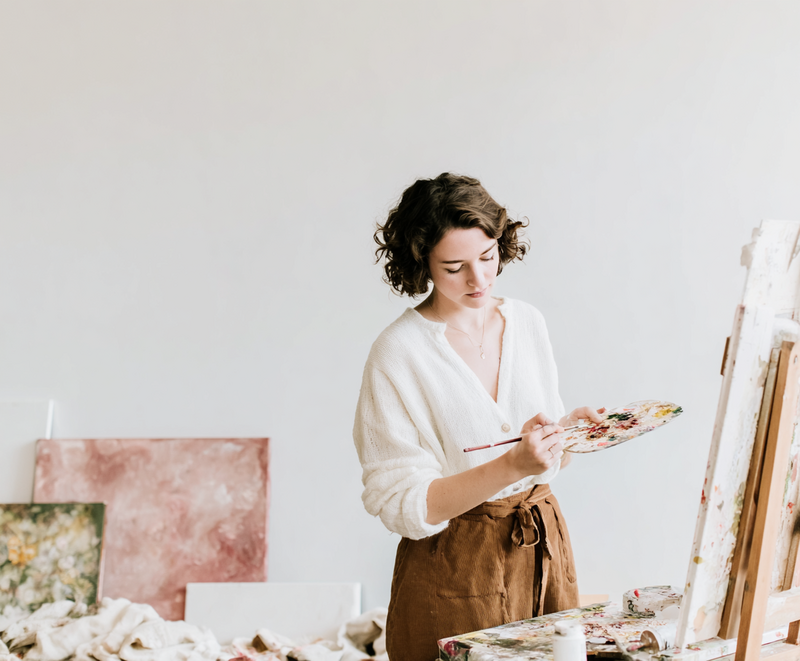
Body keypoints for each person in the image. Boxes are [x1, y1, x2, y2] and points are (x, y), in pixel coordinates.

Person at [353, 173, 603, 661]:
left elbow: (546, 462)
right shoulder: (397, 353)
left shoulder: (527, 322)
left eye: (488, 257)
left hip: (542, 553)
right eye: (454, 267)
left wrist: (565, 435)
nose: (479, 280)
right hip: (453, 572)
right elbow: (401, 504)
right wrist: (513, 465)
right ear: (422, 261)